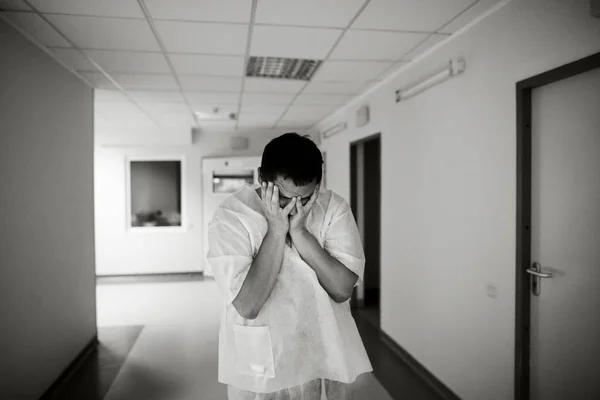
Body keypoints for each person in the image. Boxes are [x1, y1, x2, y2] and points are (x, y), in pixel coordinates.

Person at [207, 132, 372, 399]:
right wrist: (275, 230)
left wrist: (300, 233)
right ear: (262, 177)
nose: (294, 207)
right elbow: (247, 305)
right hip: (261, 359)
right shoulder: (231, 218)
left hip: (321, 351)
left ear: (318, 185)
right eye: (284, 197)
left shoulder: (333, 209)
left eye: (305, 198)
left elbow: (342, 290)